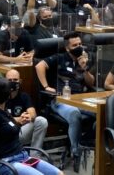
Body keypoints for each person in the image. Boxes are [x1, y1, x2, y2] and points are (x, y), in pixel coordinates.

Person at [35, 32, 95, 172]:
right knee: (74, 113)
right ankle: (75, 152)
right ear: (68, 48)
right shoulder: (60, 58)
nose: (79, 47)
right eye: (75, 45)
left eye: (80, 44)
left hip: (81, 99)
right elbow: (39, 66)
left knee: (100, 112)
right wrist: (46, 86)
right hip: (61, 100)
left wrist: (84, 68)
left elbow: (91, 83)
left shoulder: (84, 60)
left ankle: (86, 143)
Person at [0, 77, 62, 175]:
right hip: (9, 162)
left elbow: (5, 125)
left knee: (59, 173)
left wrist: (19, 120)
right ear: (6, 94)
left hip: (24, 157)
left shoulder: (4, 112)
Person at [5, 70, 48, 151]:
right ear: (5, 81)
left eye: (15, 80)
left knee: (41, 120)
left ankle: (35, 155)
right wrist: (18, 119)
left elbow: (33, 113)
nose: (13, 82)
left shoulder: (24, 96)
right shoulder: (1, 97)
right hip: (5, 135)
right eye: (9, 80)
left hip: (20, 132)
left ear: (20, 81)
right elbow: (0, 120)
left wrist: (29, 117)